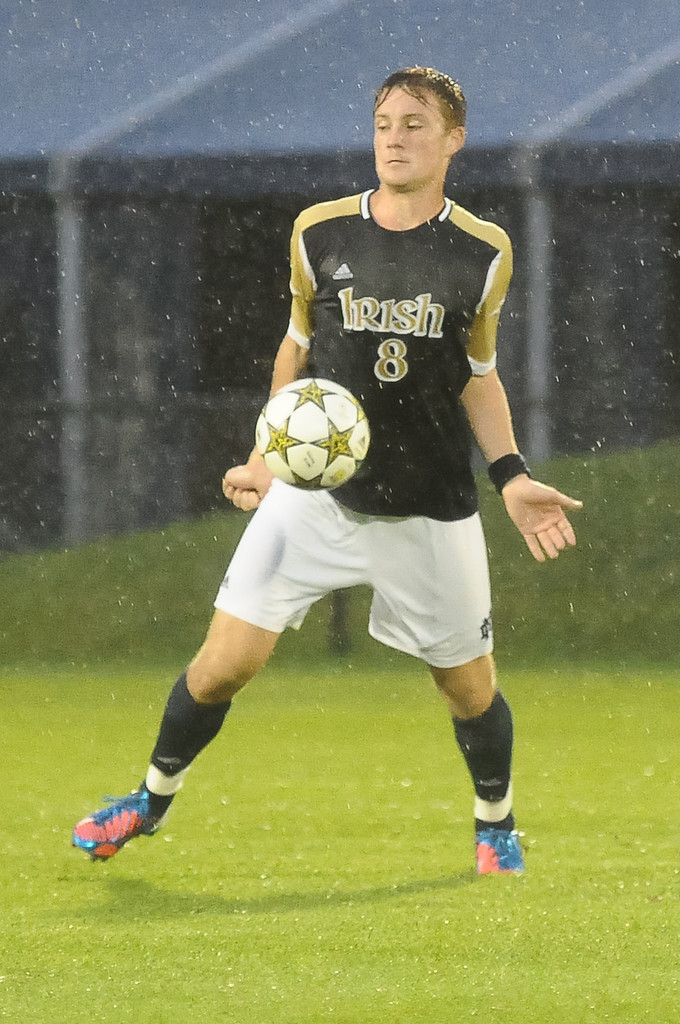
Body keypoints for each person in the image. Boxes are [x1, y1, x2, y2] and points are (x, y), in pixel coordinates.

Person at [73, 66, 582, 874]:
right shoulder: (320, 231)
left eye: (416, 123)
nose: (394, 137)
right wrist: (265, 460)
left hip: (430, 505)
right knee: (222, 666)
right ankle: (146, 801)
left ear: (454, 140)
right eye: (384, 121)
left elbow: (477, 373)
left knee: (470, 692)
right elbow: (297, 348)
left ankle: (496, 822)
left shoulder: (484, 252)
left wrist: (512, 476)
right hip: (316, 499)